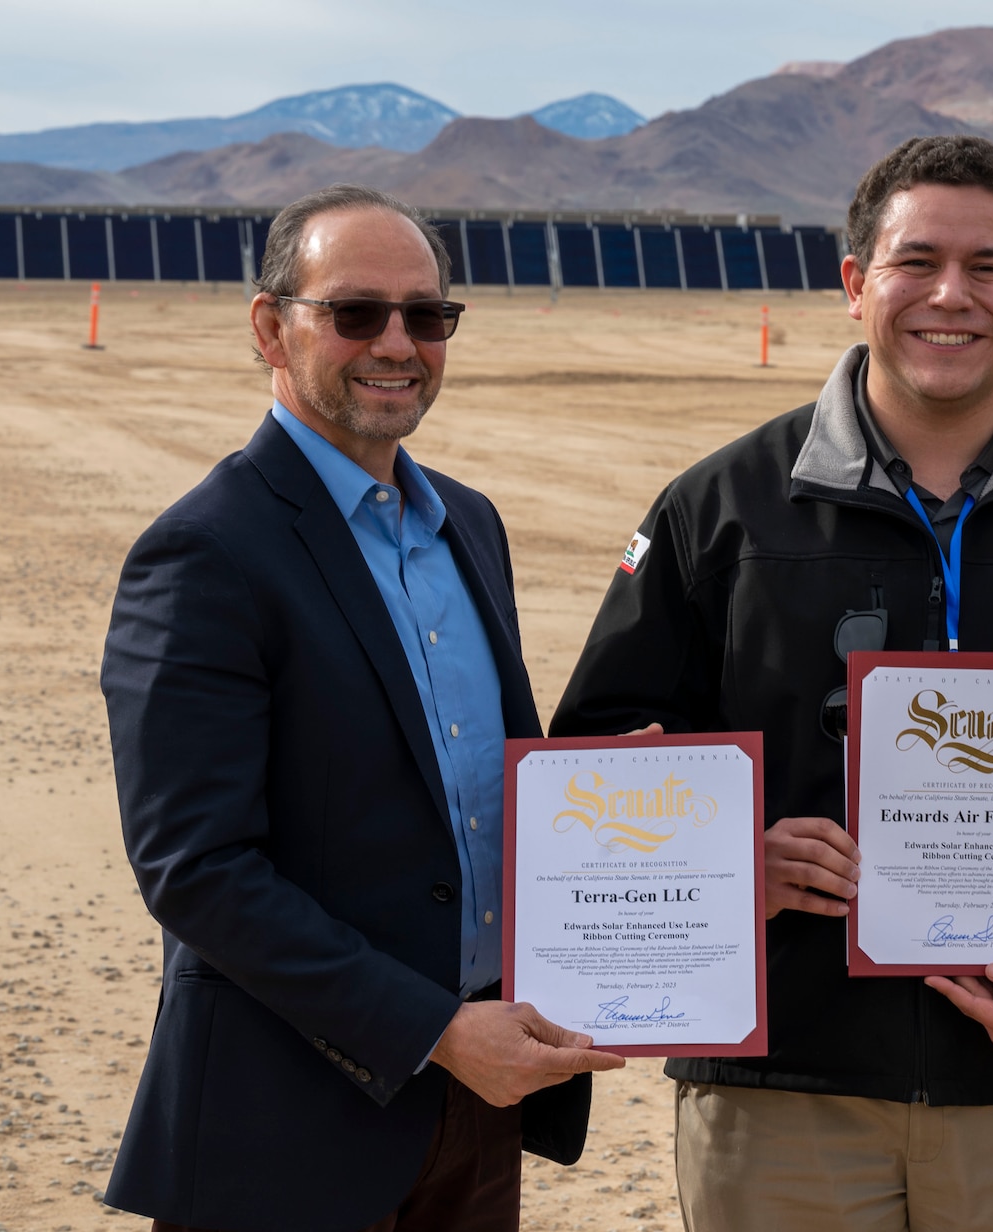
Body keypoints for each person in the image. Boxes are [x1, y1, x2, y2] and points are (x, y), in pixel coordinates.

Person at [550, 135, 993, 1231]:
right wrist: (728, 861)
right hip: (778, 1087)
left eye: (989, 266)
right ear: (854, 283)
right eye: (914, 261)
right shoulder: (721, 507)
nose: (949, 296)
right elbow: (598, 763)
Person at [100, 184, 622, 1232]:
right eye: (354, 313)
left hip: (478, 1106)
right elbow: (194, 868)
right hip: (289, 1124)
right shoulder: (205, 551)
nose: (398, 342)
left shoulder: (468, 526)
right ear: (270, 327)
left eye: (426, 315)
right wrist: (430, 1027)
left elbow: (475, 800)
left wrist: (643, 813)